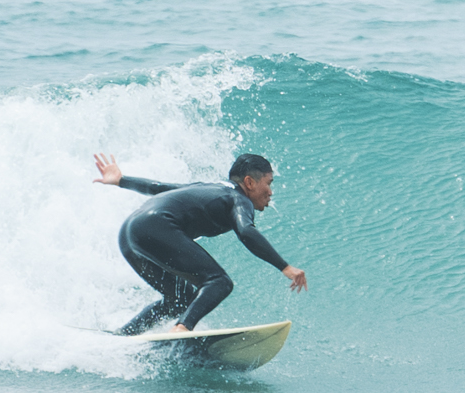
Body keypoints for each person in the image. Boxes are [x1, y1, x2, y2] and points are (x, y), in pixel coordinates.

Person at [95, 144, 307, 337]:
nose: (271, 192)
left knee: (180, 300)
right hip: (156, 227)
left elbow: (160, 188)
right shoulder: (240, 199)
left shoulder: (210, 187)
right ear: (249, 182)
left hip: (129, 233)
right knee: (219, 282)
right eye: (268, 184)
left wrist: (121, 180)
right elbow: (247, 232)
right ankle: (181, 328)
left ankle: (124, 336)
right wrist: (285, 267)